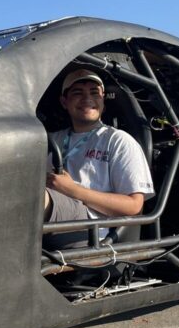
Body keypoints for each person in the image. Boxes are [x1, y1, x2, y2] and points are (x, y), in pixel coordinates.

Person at [44, 69, 154, 246]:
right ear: (64, 102)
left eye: (94, 92)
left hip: (88, 227)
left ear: (103, 100)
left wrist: (73, 190)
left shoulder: (117, 140)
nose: (87, 98)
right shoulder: (51, 139)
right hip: (48, 220)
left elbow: (134, 206)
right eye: (77, 93)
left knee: (35, 198)